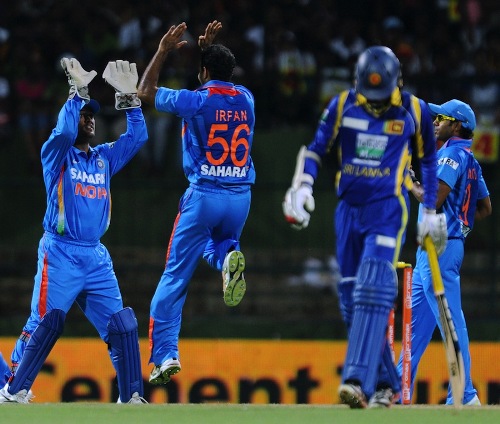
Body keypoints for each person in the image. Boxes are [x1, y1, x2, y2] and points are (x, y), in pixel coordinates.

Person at [283, 46, 447, 408]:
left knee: (372, 285)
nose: (374, 104)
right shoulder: (342, 104)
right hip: (348, 210)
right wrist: (304, 185)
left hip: (387, 208)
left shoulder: (414, 110)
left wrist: (430, 210)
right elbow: (316, 149)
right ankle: (387, 385)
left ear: (397, 82)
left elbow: (429, 162)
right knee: (350, 298)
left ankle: (356, 380)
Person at [0, 58, 148, 404]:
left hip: (96, 257)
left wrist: (130, 101)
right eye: (84, 115)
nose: (90, 119)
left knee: (121, 326)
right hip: (60, 252)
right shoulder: (55, 154)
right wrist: (77, 94)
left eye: (92, 115)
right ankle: (13, 389)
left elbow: (137, 137)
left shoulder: (104, 158)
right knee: (43, 322)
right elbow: (65, 132)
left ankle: (131, 398)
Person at [137, 20, 255, 385]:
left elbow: (145, 92)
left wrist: (162, 51)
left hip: (204, 195)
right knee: (217, 244)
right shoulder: (247, 98)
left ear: (203, 72)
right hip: (240, 197)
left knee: (174, 278)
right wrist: (206, 54)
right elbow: (217, 85)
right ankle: (228, 257)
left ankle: (164, 355)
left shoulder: (195, 100)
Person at [396, 99, 491, 406]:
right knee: (416, 327)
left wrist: (410, 182)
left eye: (442, 118)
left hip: (441, 246)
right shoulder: (470, 159)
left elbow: (433, 199)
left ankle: (465, 394)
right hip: (436, 246)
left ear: (458, 125)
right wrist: (462, 224)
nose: (435, 122)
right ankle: (396, 390)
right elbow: (485, 207)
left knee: (450, 319)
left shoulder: (451, 155)